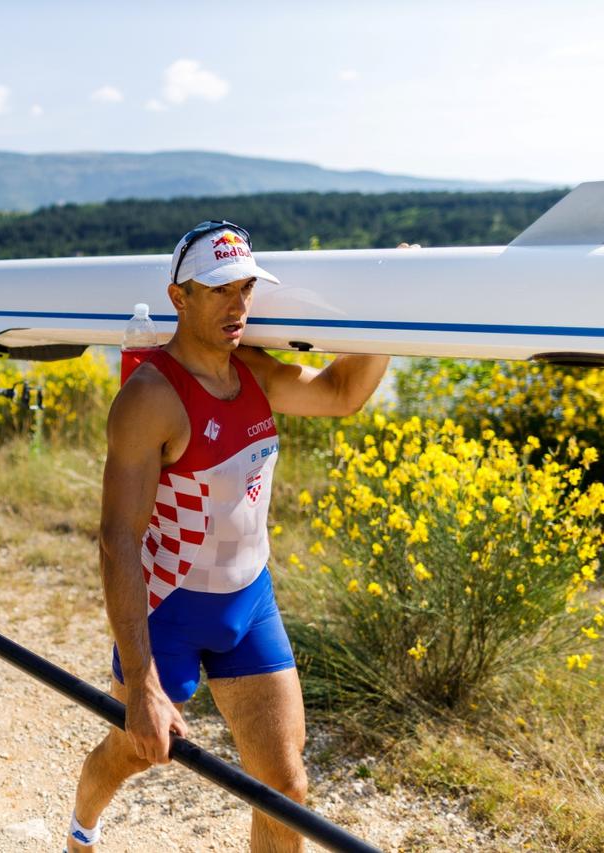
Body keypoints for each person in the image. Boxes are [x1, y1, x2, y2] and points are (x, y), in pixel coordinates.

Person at [67, 221, 390, 852]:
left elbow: (343, 393)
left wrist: (389, 302)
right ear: (179, 297)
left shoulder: (256, 374)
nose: (237, 305)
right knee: (132, 750)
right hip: (169, 610)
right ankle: (81, 828)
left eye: (245, 288)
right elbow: (117, 541)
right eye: (218, 290)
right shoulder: (151, 397)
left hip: (249, 602)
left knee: (286, 788)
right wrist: (143, 686)